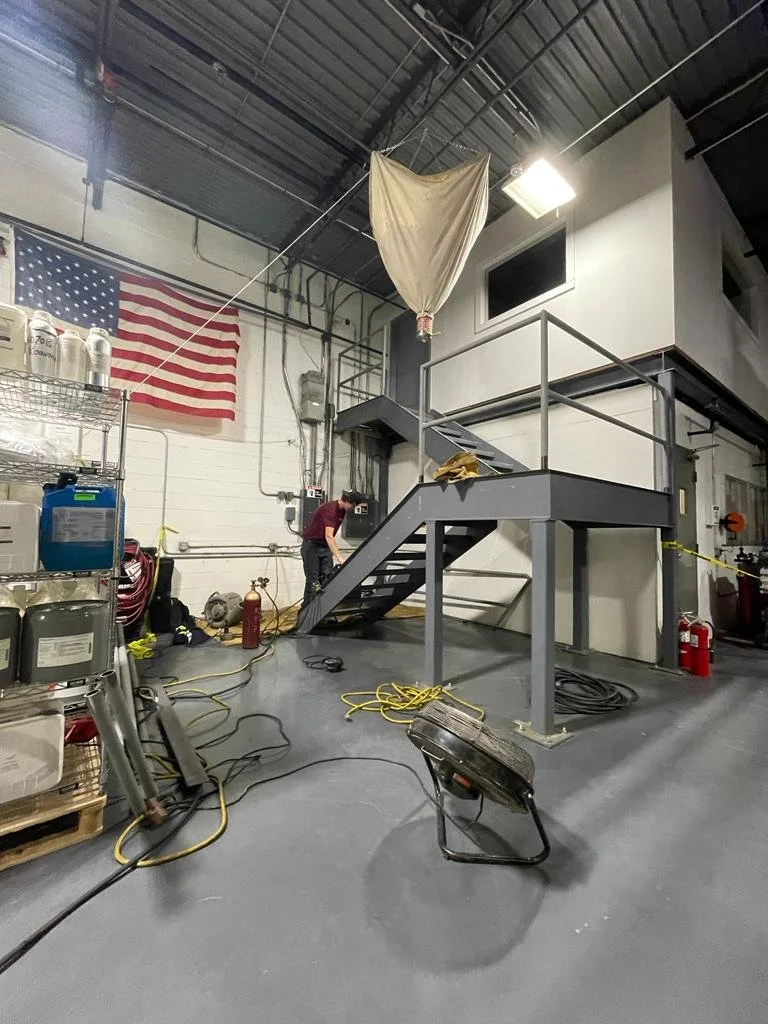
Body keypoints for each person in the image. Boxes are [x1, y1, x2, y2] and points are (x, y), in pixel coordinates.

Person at [300, 489, 365, 606]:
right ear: (347, 501)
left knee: (326, 580)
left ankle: (323, 612)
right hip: (311, 547)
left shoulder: (342, 511)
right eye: (354, 506)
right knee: (314, 582)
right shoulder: (331, 510)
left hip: (324, 547)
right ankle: (307, 614)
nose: (354, 509)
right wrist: (340, 557)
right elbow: (329, 536)